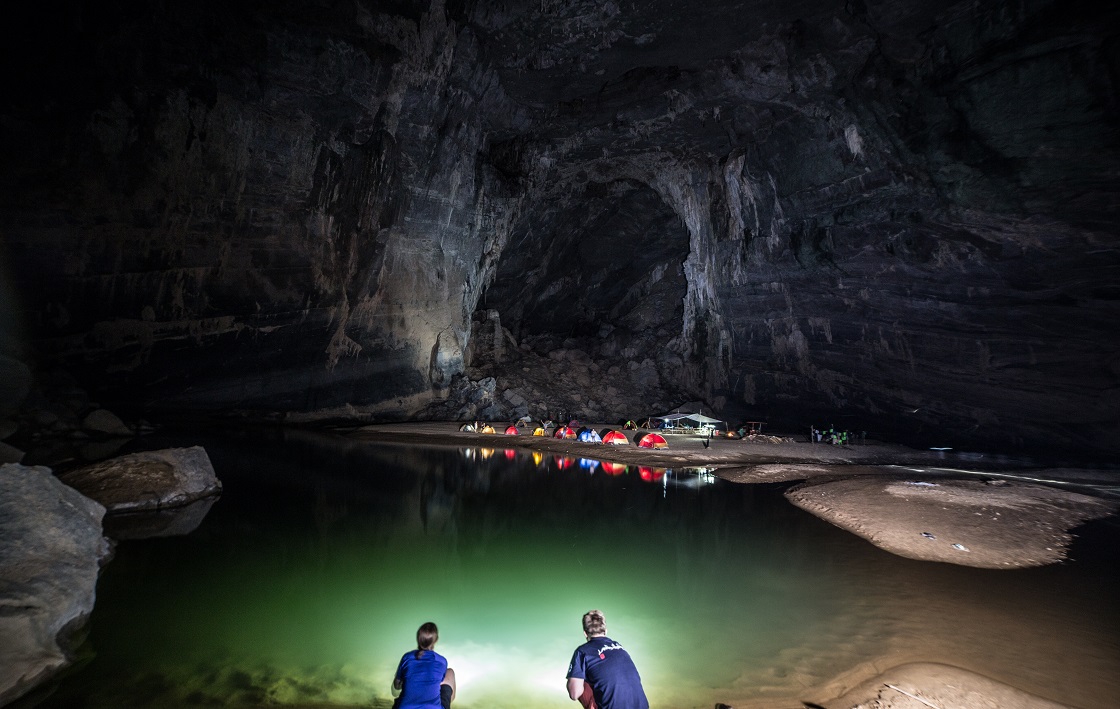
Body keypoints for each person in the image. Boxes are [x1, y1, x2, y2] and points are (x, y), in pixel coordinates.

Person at [565, 610, 649, 709]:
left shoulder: (583, 651)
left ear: (585, 633)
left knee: (578, 678)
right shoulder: (619, 647)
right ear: (605, 631)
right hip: (643, 706)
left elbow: (574, 694)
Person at [393, 622, 456, 709]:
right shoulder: (442, 661)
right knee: (450, 672)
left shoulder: (407, 657)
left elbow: (396, 686)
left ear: (418, 638)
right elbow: (441, 682)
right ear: (436, 640)